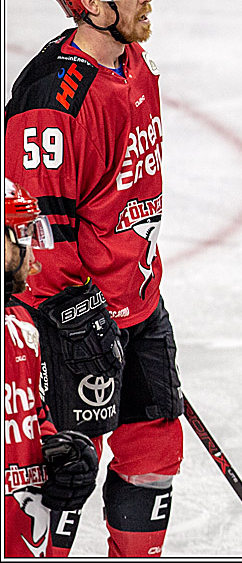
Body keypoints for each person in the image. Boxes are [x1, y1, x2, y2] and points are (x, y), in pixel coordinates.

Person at [4, 0, 183, 557]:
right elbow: (34, 235)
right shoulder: (51, 102)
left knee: (154, 453)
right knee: (62, 479)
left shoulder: (137, 67)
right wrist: (74, 324)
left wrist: (137, 294)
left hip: (139, 306)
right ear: (90, 3)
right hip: (71, 319)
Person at [5, 178, 101, 558]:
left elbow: (31, 411)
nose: (34, 258)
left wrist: (62, 452)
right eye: (21, 237)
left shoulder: (21, 324)